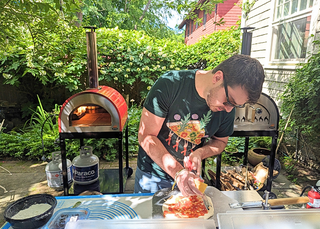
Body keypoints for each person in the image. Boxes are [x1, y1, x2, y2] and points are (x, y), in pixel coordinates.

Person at [134, 54, 265, 196]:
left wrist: (200, 153)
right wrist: (178, 172)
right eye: (229, 101)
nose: (228, 109)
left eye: (236, 105)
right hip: (152, 176)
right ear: (217, 78)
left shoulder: (227, 108)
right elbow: (146, 136)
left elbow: (220, 141)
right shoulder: (170, 84)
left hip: (191, 178)